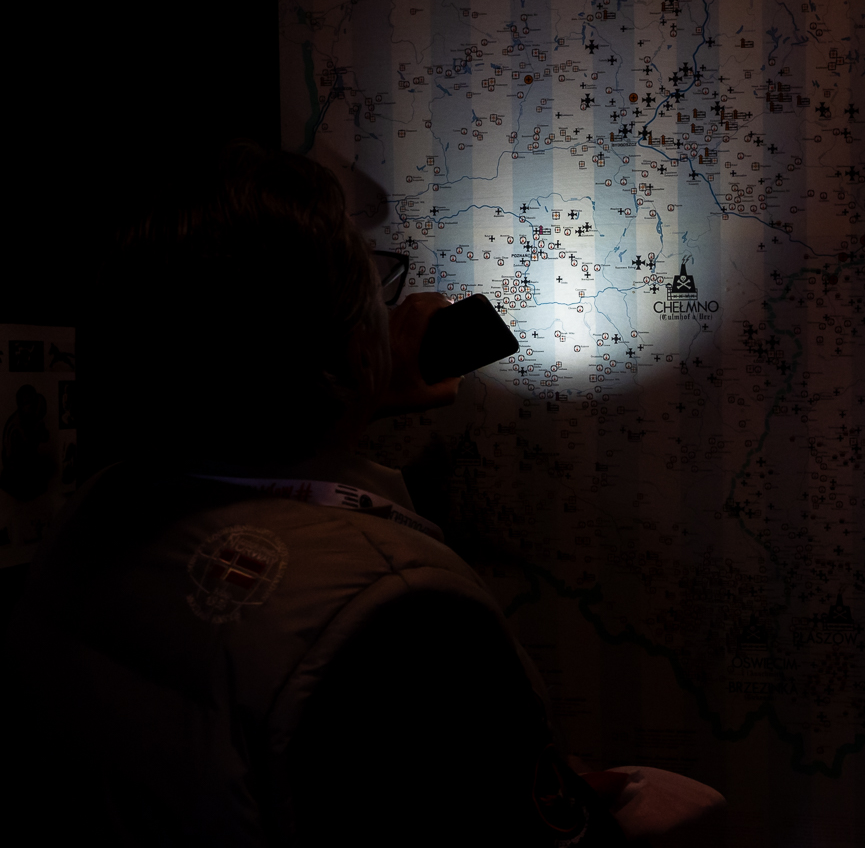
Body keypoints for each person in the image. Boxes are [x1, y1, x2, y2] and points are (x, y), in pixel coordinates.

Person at [4, 143, 721, 844]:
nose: (393, 307)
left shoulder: (98, 508)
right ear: (349, 350)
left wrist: (356, 389)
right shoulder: (402, 617)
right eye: (377, 286)